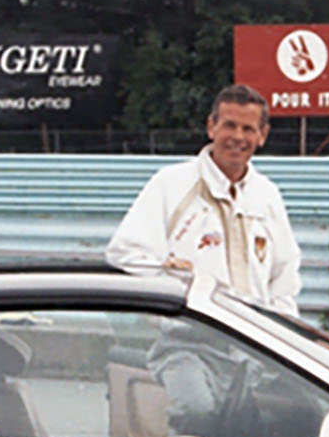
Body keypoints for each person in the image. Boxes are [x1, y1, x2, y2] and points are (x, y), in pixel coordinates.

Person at [106, 84, 301, 315]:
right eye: (229, 125)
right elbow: (125, 255)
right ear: (212, 127)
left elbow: (284, 283)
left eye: (248, 129)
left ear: (262, 135)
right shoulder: (171, 184)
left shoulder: (267, 195)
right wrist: (172, 280)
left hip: (253, 342)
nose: (238, 137)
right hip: (187, 337)